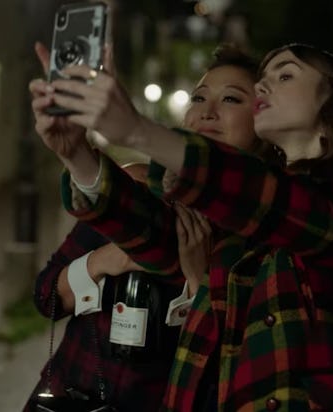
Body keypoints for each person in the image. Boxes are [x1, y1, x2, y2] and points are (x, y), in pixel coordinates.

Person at [34, 42, 333, 411]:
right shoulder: (237, 219)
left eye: (285, 75)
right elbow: (154, 234)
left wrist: (136, 131)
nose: (264, 85)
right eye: (263, 78)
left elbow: (281, 205)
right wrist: (76, 155)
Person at [24, 43, 261, 412]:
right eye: (198, 98)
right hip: (72, 396)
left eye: (231, 99)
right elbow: (46, 297)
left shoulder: (255, 235)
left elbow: (235, 369)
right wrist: (103, 260)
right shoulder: (131, 188)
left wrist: (198, 281)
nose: (207, 112)